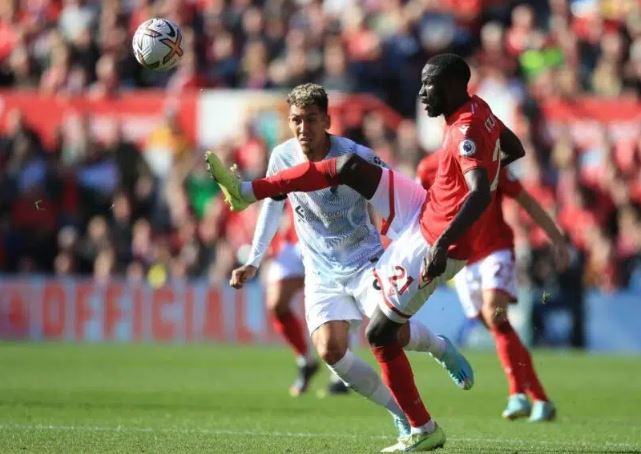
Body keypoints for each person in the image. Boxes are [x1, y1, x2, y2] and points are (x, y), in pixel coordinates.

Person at [207, 55, 525, 451]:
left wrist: (440, 238)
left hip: (402, 244)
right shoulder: (478, 109)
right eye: (296, 120)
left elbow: (479, 190)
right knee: (333, 348)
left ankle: (427, 406)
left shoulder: (463, 129)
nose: (421, 93)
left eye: (430, 85)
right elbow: (514, 149)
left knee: (383, 333)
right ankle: (404, 414)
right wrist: (254, 259)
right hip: (371, 241)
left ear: (327, 120)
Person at [418, 152, 567, 421]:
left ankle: (516, 394)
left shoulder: (487, 162)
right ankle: (541, 400)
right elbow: (419, 211)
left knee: (494, 315)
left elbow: (526, 201)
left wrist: (556, 238)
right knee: (500, 328)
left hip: (494, 250)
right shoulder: (428, 168)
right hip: (461, 261)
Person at [237, 202, 349, 396]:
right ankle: (306, 361)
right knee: (276, 303)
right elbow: (274, 197)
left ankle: (340, 375)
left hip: (329, 243)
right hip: (294, 242)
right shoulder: (286, 169)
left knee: (337, 305)